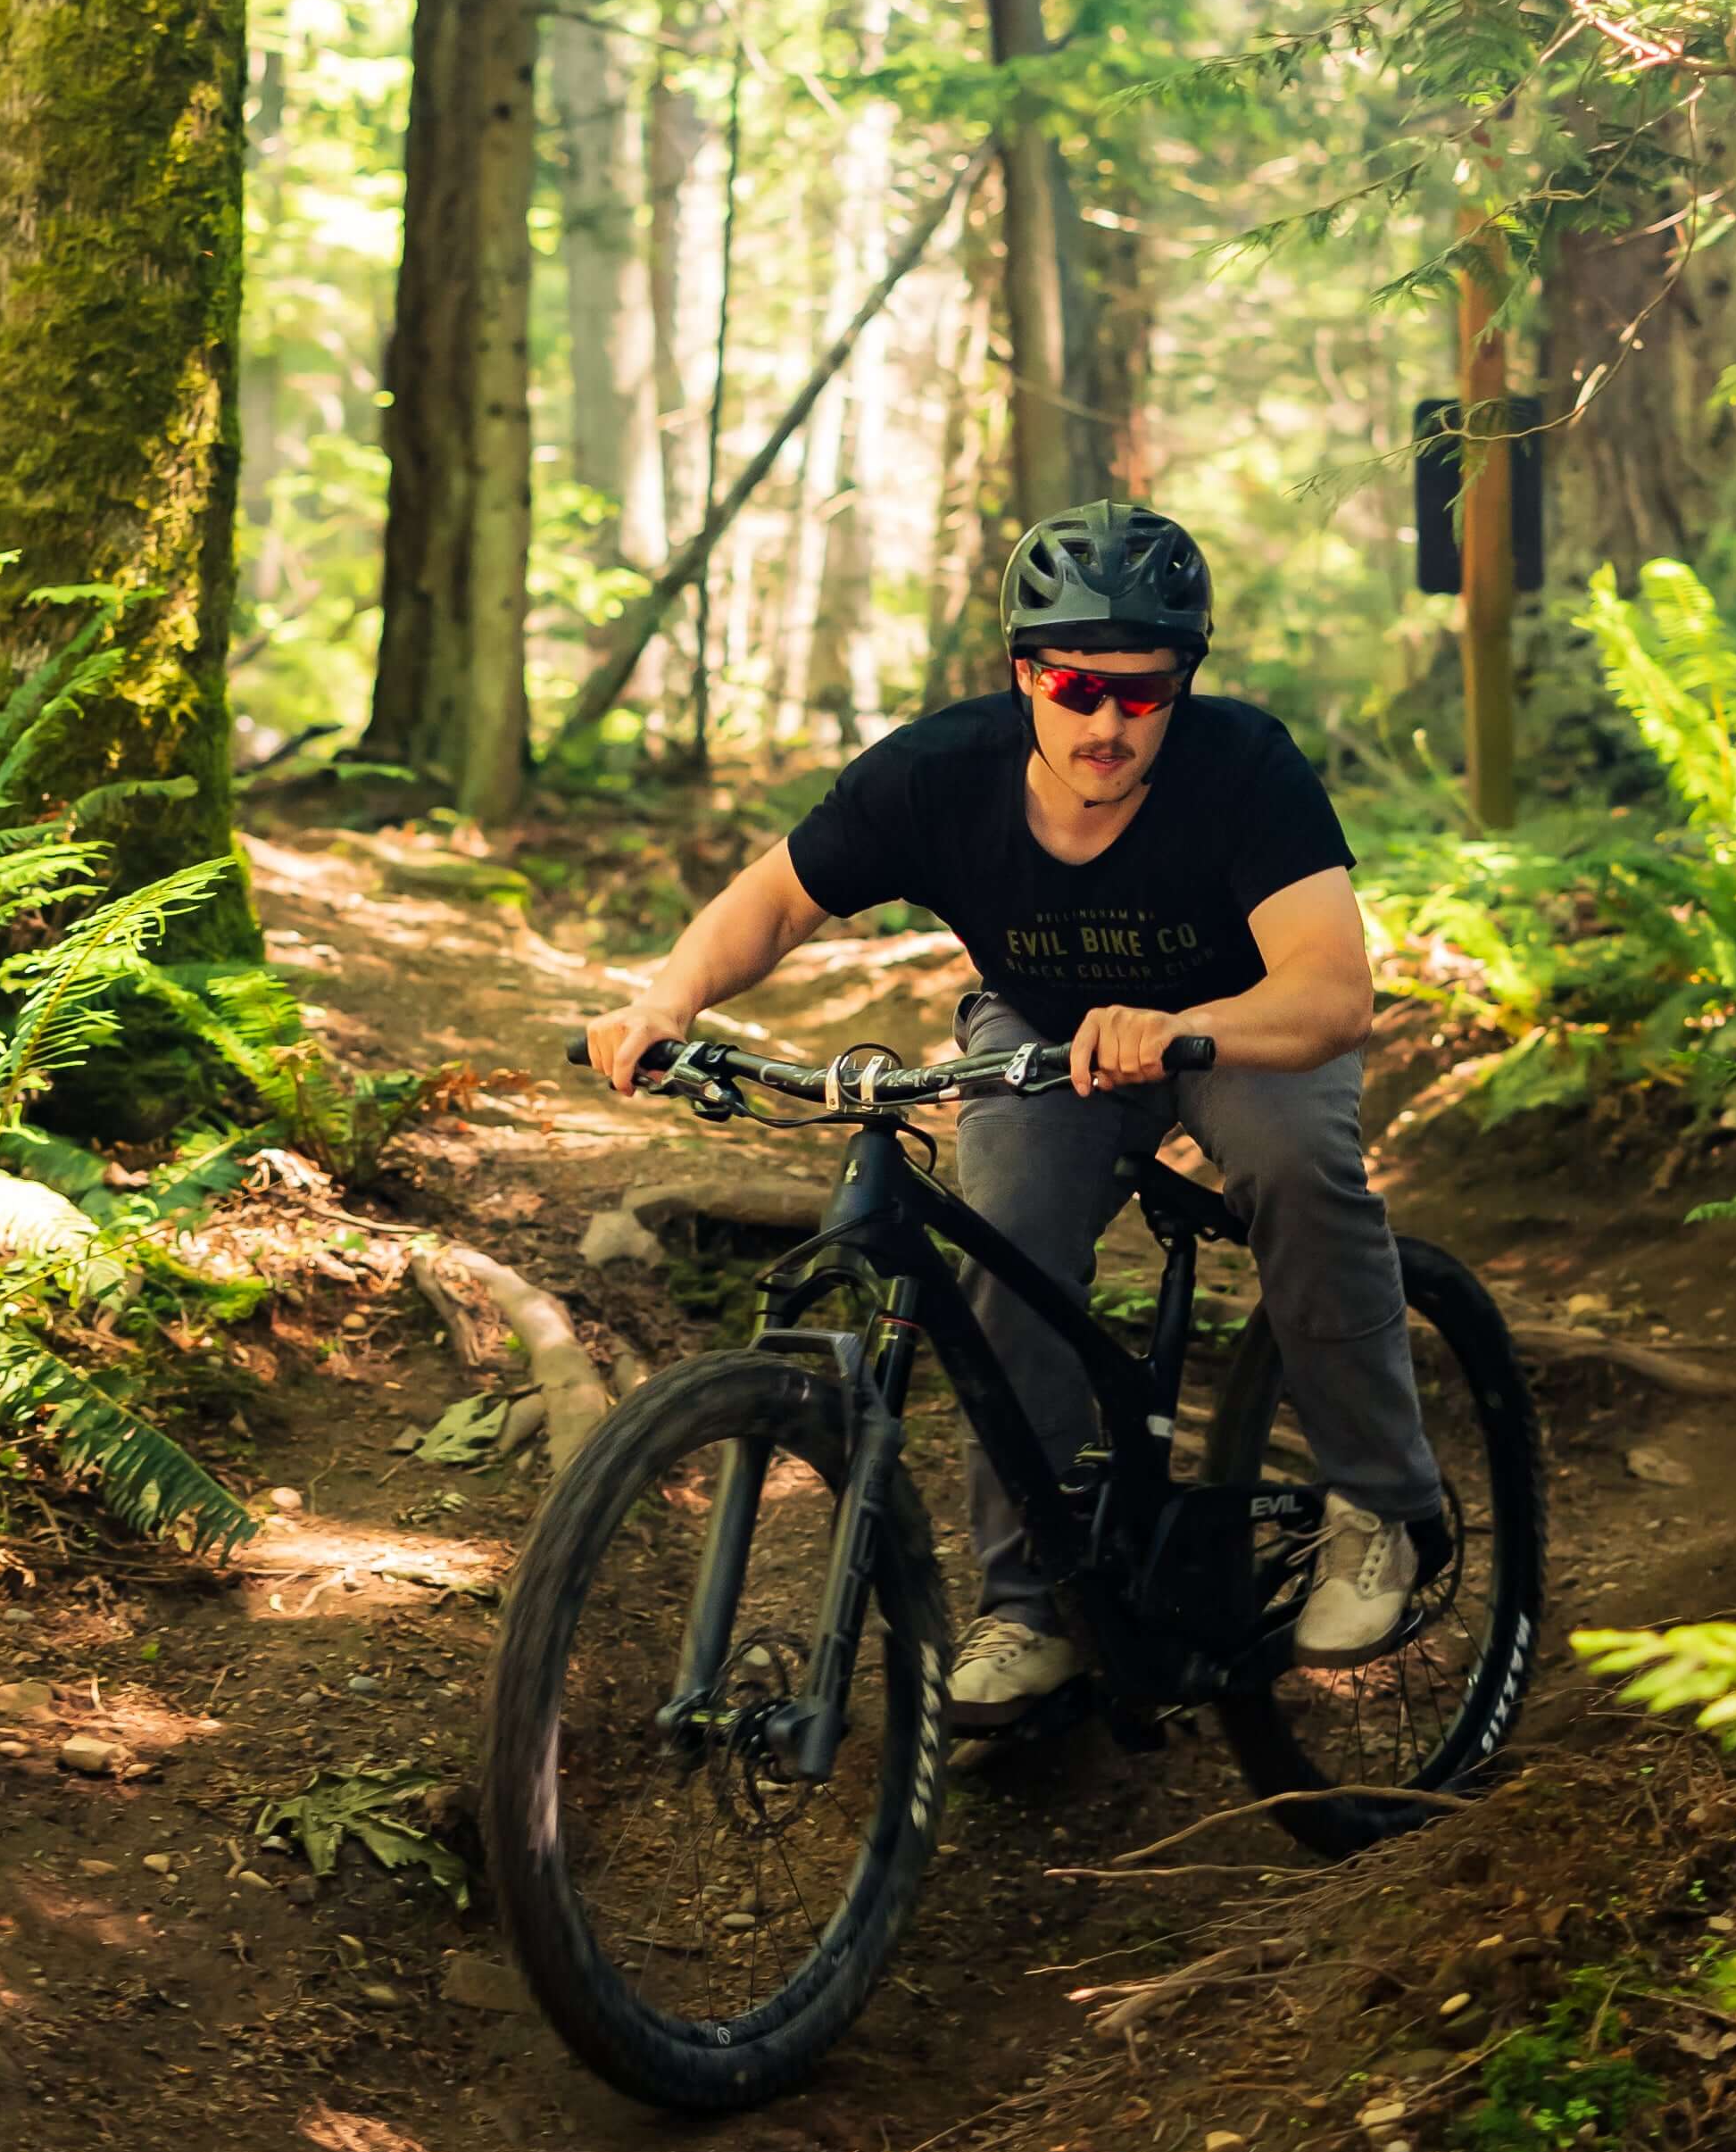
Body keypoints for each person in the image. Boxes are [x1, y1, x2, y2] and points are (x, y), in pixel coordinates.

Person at [587, 495, 1446, 1734]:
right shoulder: (939, 773)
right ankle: (1033, 1601)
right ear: (1022, 673)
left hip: (1239, 1023)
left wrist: (1183, 1027)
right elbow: (775, 901)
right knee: (1004, 1233)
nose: (1106, 724)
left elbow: (1330, 991)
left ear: (1183, 684)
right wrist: (665, 1002)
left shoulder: (1244, 768)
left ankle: (1380, 1505)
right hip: (1041, 1030)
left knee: (1296, 1161)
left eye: (1142, 694)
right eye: (1075, 687)